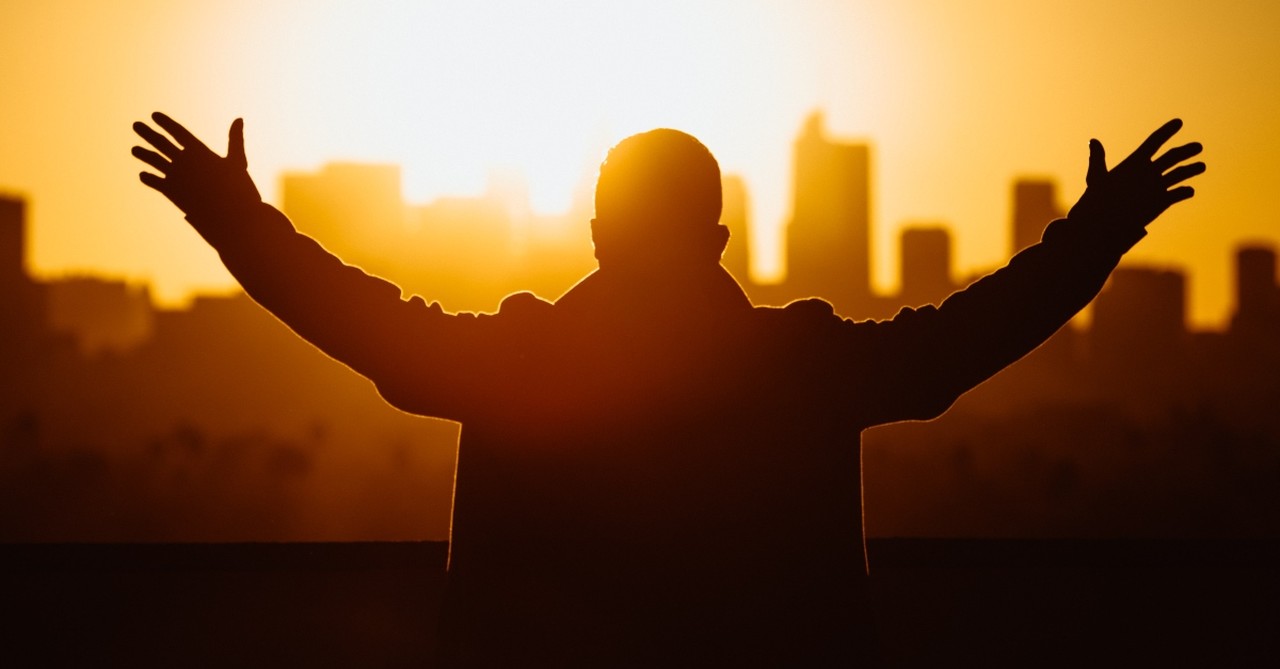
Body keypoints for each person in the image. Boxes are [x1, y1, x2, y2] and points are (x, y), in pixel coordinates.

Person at [132, 114, 1203, 666]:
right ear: (719, 236)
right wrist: (1096, 232)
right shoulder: (799, 367)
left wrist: (231, 216)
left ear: (596, 235)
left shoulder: (521, 363)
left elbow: (349, 313)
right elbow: (970, 336)